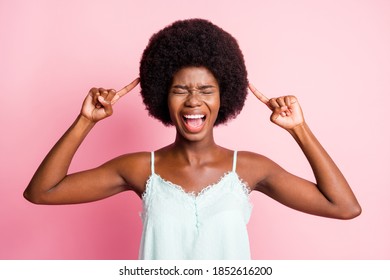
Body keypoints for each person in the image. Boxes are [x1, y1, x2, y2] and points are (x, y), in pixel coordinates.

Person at [24, 19, 361, 260]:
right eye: (180, 90)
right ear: (162, 97)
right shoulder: (142, 168)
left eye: (205, 90)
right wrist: (85, 121)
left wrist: (298, 129)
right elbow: (42, 192)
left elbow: (344, 207)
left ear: (223, 96)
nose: (193, 101)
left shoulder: (248, 167)